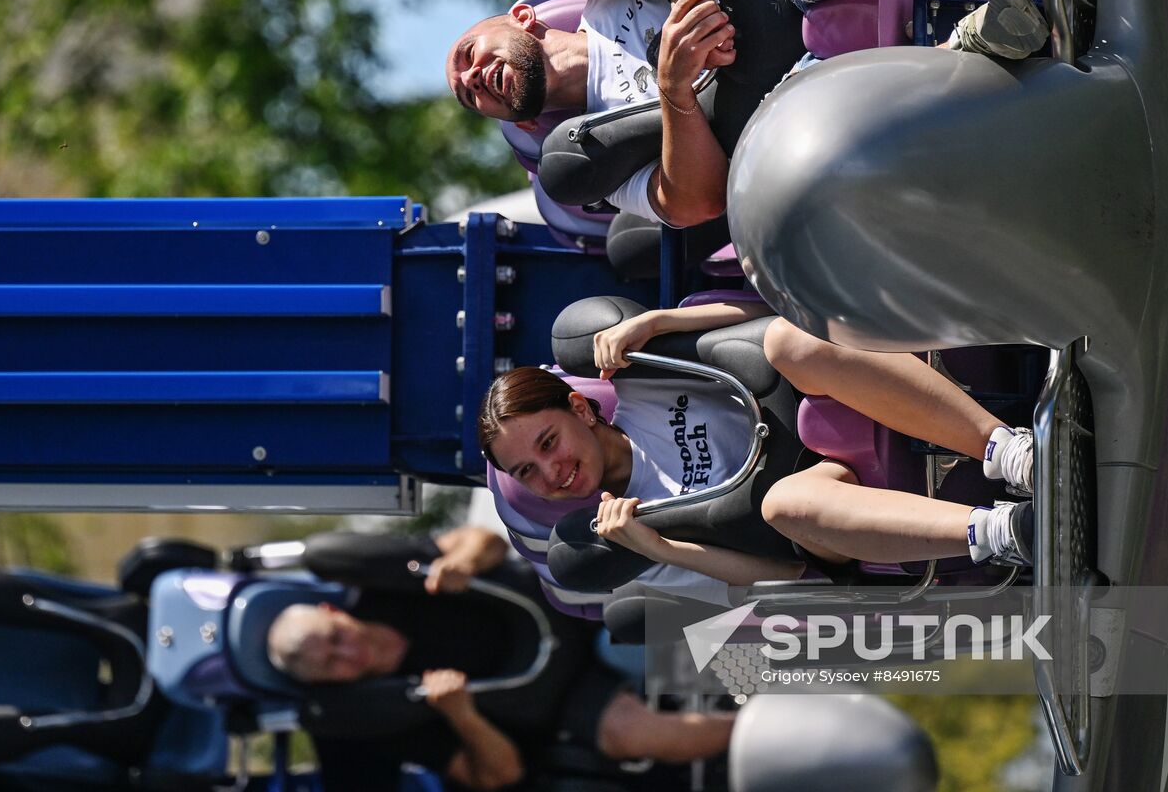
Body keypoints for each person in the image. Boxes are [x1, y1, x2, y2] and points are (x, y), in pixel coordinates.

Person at [445, 0, 1046, 228]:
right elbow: (692, 204)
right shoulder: (586, 154)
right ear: (520, 121)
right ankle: (963, 52)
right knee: (797, 161)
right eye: (470, 93)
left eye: (469, 55)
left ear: (521, 17)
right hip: (781, 114)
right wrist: (676, 93)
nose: (476, 77)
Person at [479, 300, 1035, 595]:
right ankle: (1003, 532)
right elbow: (781, 579)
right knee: (784, 505)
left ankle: (1008, 451)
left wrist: (661, 321)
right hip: (817, 509)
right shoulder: (621, 533)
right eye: (528, 471)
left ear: (580, 407)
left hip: (823, 406)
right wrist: (656, 548)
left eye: (548, 443)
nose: (551, 471)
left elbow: (763, 317)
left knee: (792, 339)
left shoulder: (638, 380)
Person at [266, 527, 733, 791]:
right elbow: (498, 776)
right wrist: (461, 716)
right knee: (634, 734)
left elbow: (482, 541)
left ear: (333, 611)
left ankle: (797, 661)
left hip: (567, 610)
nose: (346, 653)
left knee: (641, 632)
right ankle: (770, 725)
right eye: (330, 665)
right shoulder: (385, 714)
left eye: (333, 639)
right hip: (562, 699)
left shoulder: (384, 587)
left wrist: (463, 563)